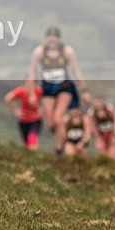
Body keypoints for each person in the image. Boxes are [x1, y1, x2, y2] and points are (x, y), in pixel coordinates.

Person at [27, 27, 91, 155]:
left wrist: (83, 90)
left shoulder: (67, 51)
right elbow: (32, 72)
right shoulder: (39, 52)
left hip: (64, 86)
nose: (52, 40)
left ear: (59, 39)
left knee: (57, 118)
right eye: (49, 37)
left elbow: (75, 70)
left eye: (54, 37)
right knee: (51, 122)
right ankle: (63, 139)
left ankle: (60, 147)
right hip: (47, 87)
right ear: (46, 39)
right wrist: (32, 93)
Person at [4, 79, 44, 150]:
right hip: (23, 120)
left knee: (32, 139)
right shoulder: (21, 91)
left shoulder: (38, 91)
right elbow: (7, 98)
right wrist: (15, 111)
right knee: (26, 143)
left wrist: (42, 109)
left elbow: (49, 100)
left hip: (35, 120)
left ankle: (34, 157)